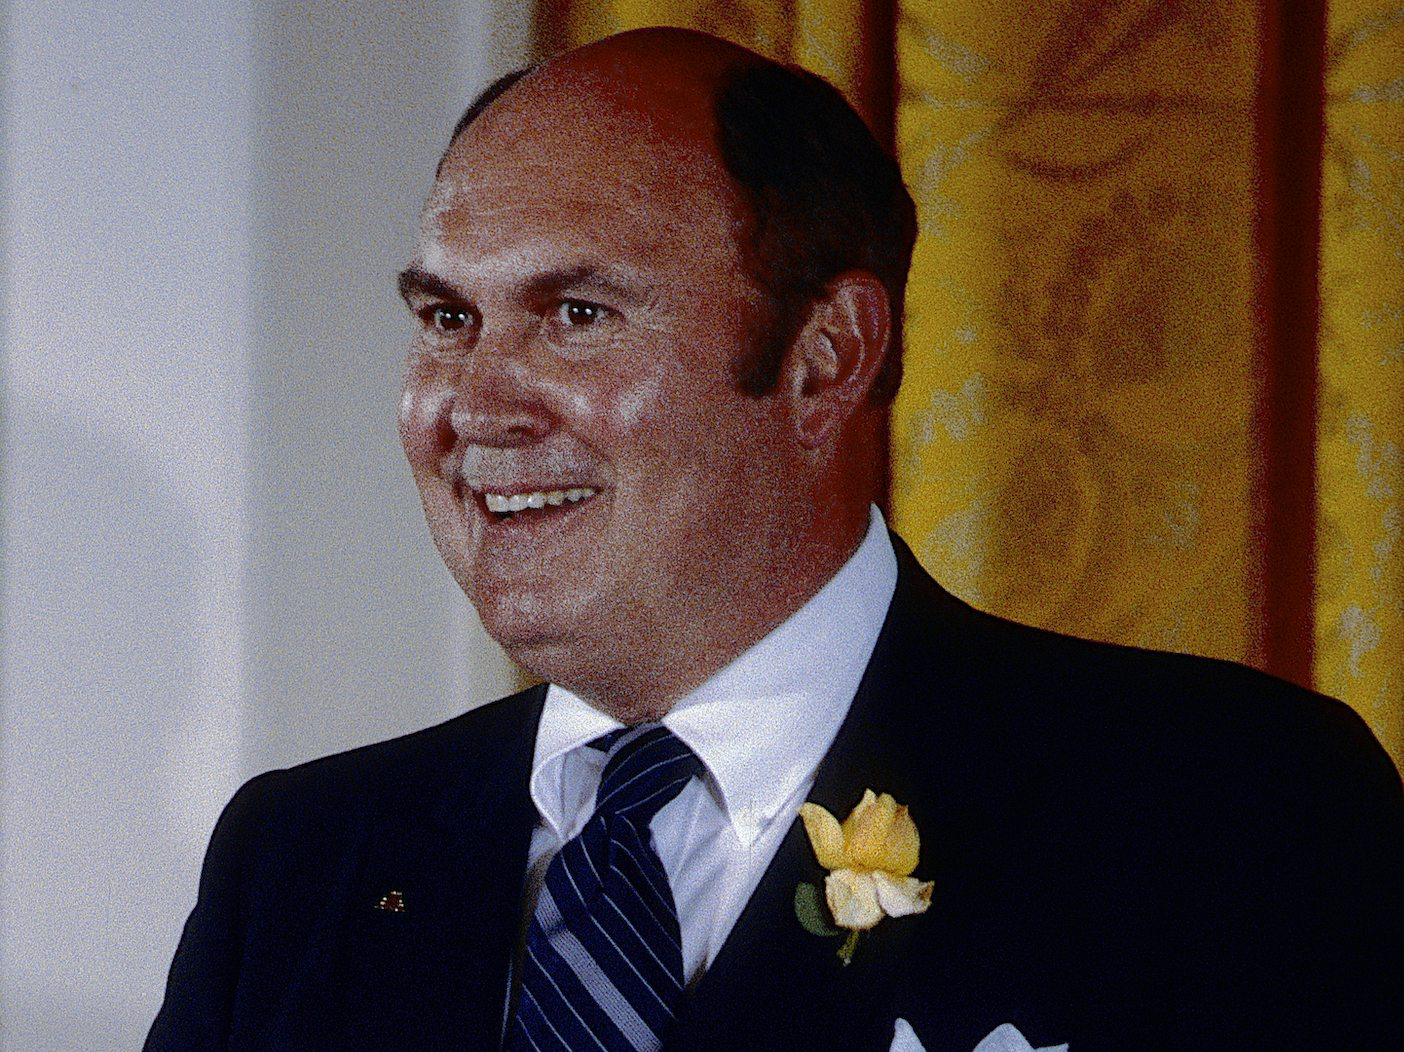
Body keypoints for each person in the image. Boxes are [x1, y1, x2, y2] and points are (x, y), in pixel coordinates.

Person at [145, 27, 1402, 1052]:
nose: (473, 405)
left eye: (576, 313)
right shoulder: (304, 861)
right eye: (447, 317)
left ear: (823, 360)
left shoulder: (1228, 817)